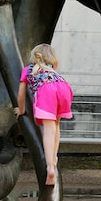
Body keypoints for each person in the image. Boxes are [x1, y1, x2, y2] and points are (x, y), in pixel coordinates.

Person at [14, 43, 73, 186]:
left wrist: (21, 110)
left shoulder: (28, 70)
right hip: (64, 88)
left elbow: (21, 95)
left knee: (48, 130)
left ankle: (50, 168)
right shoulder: (52, 70)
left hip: (47, 92)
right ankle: (54, 158)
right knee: (56, 126)